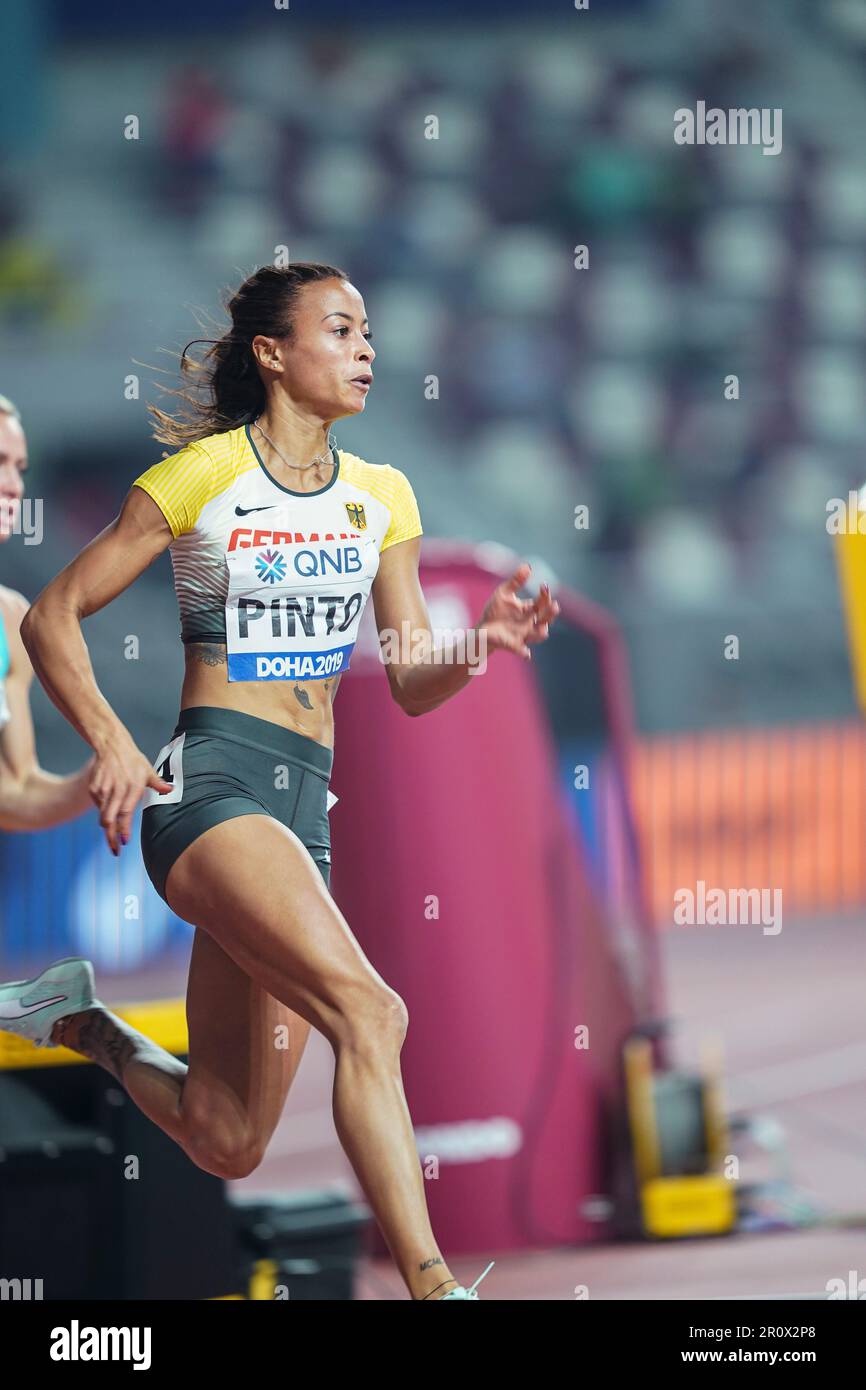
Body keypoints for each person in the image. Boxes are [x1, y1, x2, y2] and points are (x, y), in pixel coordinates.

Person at [0, 263, 559, 1301]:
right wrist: (116, 746)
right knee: (373, 1015)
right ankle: (435, 1286)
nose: (366, 350)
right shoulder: (201, 477)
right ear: (271, 352)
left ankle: (79, 1020)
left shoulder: (380, 496)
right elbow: (52, 613)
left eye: (368, 334)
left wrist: (477, 642)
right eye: (340, 330)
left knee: (227, 1134)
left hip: (305, 809)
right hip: (210, 787)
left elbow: (406, 681)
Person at [0, 393, 95, 831]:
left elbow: (13, 794)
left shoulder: (9, 618)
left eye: (19, 469)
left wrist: (103, 774)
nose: (14, 486)